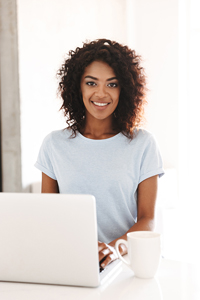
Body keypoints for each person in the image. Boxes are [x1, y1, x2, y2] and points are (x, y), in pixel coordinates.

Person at [35, 39, 164, 270]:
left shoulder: (143, 144)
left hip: (125, 263)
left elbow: (147, 219)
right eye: (91, 83)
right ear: (78, 87)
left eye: (112, 84)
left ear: (124, 89)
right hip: (72, 263)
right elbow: (48, 216)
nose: (101, 93)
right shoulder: (54, 145)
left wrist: (114, 249)